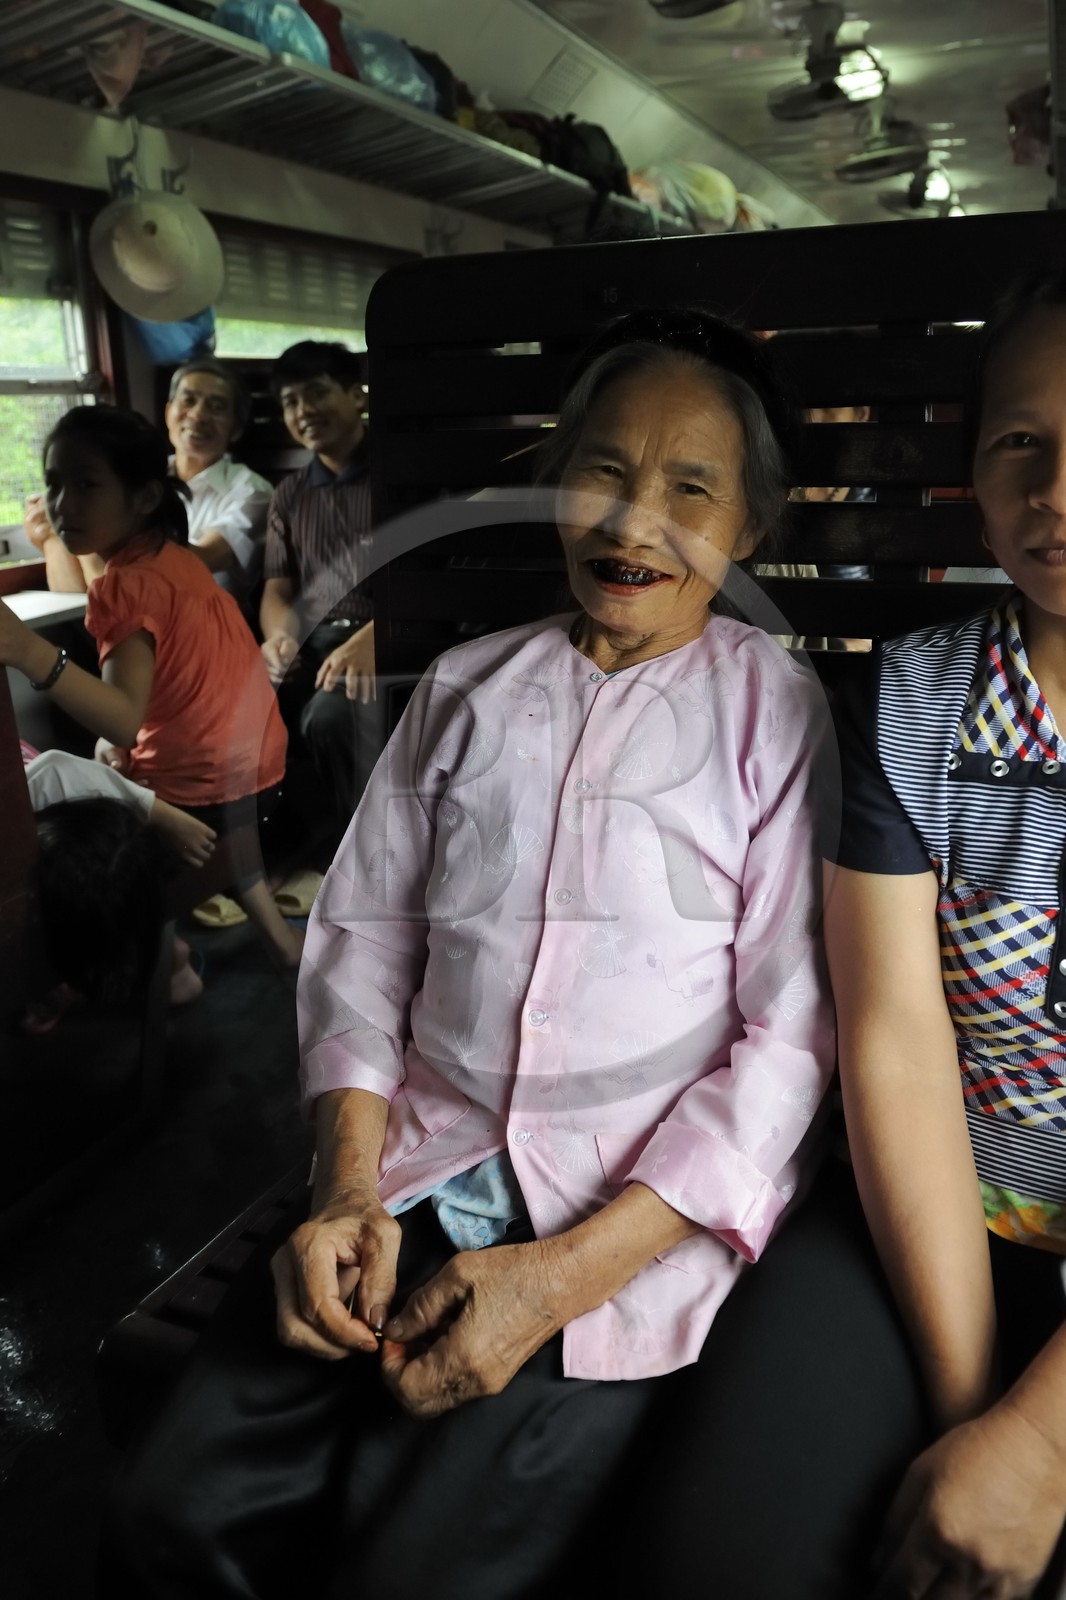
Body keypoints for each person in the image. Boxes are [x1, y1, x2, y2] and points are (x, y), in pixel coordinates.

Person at [100, 309, 838, 1599]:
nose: (631, 523)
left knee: (419, 1573)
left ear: (749, 530)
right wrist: (341, 1191)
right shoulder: (466, 691)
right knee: (167, 1513)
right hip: (401, 1192)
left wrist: (557, 1281)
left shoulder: (777, 717)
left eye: (689, 490)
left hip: (612, 1246)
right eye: (604, 472)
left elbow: (790, 1043)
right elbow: (361, 943)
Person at [824, 267, 1066, 1598]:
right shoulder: (908, 709)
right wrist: (973, 1408)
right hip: (939, 1223)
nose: (1054, 492)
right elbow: (897, 1044)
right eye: (1019, 441)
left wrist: (1038, 1440)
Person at [0, 405, 302, 971]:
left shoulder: (127, 585)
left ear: (142, 498)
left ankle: (170, 964)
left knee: (51, 818)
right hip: (260, 775)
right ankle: (279, 938)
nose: (64, 504)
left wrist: (27, 651)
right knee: (98, 758)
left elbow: (121, 720)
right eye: (54, 484)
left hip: (203, 798)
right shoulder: (173, 559)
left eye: (87, 484)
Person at [23, 359, 272, 618]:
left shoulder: (252, 492)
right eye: (188, 401)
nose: (198, 415)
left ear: (236, 428)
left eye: (217, 406)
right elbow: (77, 601)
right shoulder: (131, 474)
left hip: (204, 632)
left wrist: (78, 527)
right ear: (168, 413)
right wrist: (54, 538)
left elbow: (187, 566)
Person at [259, 340, 376, 844]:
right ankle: (284, 847)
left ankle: (368, 856)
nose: (303, 411)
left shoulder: (399, 472)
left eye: (316, 393)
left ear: (357, 395)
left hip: (382, 638)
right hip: (313, 643)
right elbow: (277, 590)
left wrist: (379, 635)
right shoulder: (289, 493)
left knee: (329, 718)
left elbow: (429, 574)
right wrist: (278, 639)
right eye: (289, 401)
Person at [24, 746, 216, 1022]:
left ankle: (162, 954)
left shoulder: (59, 781)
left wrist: (164, 815)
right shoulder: (50, 784)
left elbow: (58, 767)